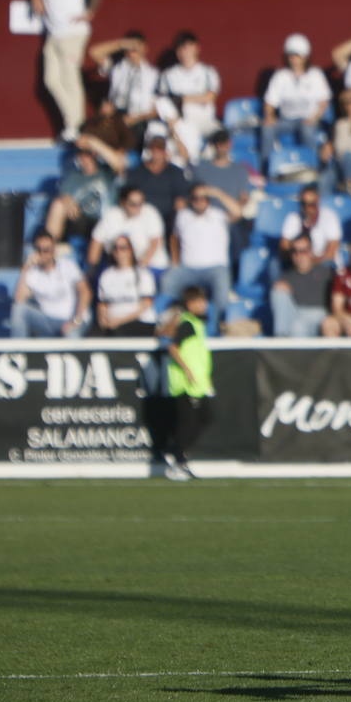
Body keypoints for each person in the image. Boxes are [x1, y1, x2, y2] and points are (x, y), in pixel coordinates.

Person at [27, 0, 103, 142]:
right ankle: (73, 122)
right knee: (50, 80)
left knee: (70, 77)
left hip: (73, 31)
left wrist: (91, 11)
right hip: (53, 33)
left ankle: (76, 126)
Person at [162, 184, 243, 322]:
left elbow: (238, 212)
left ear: (208, 199)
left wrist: (217, 193)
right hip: (187, 268)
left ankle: (217, 326)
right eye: (195, 198)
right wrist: (175, 260)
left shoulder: (218, 215)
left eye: (203, 198)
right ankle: (168, 323)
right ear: (190, 199)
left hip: (215, 268)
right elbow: (174, 238)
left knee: (222, 293)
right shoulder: (183, 215)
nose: (199, 201)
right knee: (168, 280)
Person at [161, 286, 213, 481]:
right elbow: (172, 347)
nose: (204, 305)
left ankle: (174, 453)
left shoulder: (196, 324)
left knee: (204, 418)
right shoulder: (188, 324)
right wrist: (187, 370)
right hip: (185, 384)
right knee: (189, 424)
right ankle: (177, 460)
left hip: (197, 384)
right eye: (199, 301)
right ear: (190, 304)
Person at [11, 234, 91, 338]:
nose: (42, 254)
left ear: (54, 251)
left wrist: (76, 320)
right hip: (48, 320)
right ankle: (18, 352)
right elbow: (19, 300)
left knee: (71, 333)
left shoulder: (67, 266)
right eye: (38, 249)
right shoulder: (32, 272)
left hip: (72, 318)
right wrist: (25, 269)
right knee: (19, 310)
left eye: (46, 250)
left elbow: (85, 292)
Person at [262, 33, 332, 150]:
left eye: (297, 55)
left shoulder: (316, 75)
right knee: (267, 128)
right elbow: (270, 102)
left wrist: (313, 119)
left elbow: (324, 102)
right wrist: (269, 116)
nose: (293, 59)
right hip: (286, 121)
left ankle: (312, 165)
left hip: (309, 119)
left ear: (305, 56)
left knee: (307, 130)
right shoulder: (280, 76)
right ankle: (266, 165)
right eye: (290, 55)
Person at [44, 138, 121, 244]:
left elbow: (119, 163)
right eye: (81, 154)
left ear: (96, 155)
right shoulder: (72, 177)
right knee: (58, 204)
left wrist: (92, 142)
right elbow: (64, 195)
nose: (85, 158)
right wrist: (65, 200)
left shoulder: (107, 172)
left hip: (104, 220)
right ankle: (49, 247)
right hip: (81, 221)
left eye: (88, 154)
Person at [89, 31, 159, 143]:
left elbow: (157, 110)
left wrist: (135, 118)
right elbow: (94, 52)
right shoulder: (117, 68)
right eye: (130, 47)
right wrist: (121, 44)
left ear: (145, 48)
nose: (133, 50)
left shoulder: (153, 75)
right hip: (115, 116)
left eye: (137, 46)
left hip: (139, 120)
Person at [157, 31, 221, 141]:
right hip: (179, 122)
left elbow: (210, 97)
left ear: (197, 48)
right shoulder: (168, 75)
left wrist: (181, 99)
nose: (184, 52)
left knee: (221, 135)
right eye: (180, 48)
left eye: (187, 47)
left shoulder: (208, 72)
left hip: (205, 121)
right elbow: (164, 100)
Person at [89, 186, 168, 271]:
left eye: (140, 203)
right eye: (133, 204)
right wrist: (93, 269)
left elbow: (155, 243)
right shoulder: (111, 215)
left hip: (152, 266)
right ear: (122, 203)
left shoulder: (150, 212)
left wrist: (139, 268)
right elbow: (96, 242)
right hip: (118, 268)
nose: (138, 207)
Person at [270, 235, 334, 337]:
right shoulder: (286, 276)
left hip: (319, 316)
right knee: (278, 293)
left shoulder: (326, 273)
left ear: (311, 251)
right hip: (295, 315)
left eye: (303, 251)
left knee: (298, 326)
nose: (299, 255)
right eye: (295, 251)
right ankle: (281, 337)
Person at [124, 135, 190, 231]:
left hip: (167, 221)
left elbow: (181, 200)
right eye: (154, 149)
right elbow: (129, 196)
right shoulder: (137, 172)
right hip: (141, 220)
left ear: (165, 152)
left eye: (160, 149)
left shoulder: (176, 172)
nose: (157, 153)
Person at [94, 236, 157, 337]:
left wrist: (119, 321)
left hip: (139, 321)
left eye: (123, 248)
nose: (118, 251)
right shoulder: (107, 275)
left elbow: (146, 304)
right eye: (115, 248)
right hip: (113, 322)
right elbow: (102, 304)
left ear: (131, 250)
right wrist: (103, 321)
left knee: (118, 333)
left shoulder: (142, 274)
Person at [279, 186, 342, 267]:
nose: (307, 208)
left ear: (318, 202)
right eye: (304, 204)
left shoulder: (330, 217)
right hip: (299, 265)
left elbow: (331, 251)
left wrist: (309, 264)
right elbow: (284, 247)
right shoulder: (293, 218)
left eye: (312, 204)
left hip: (323, 265)